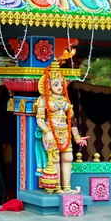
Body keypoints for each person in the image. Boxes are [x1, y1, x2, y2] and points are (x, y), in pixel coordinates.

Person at [34, 57, 88, 193]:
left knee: (68, 158)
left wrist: (77, 137)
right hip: (51, 133)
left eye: (61, 84)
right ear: (48, 85)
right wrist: (48, 131)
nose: (59, 87)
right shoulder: (43, 99)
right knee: (55, 159)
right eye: (56, 84)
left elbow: (73, 121)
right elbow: (40, 120)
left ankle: (67, 187)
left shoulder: (66, 100)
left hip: (65, 133)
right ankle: (57, 187)